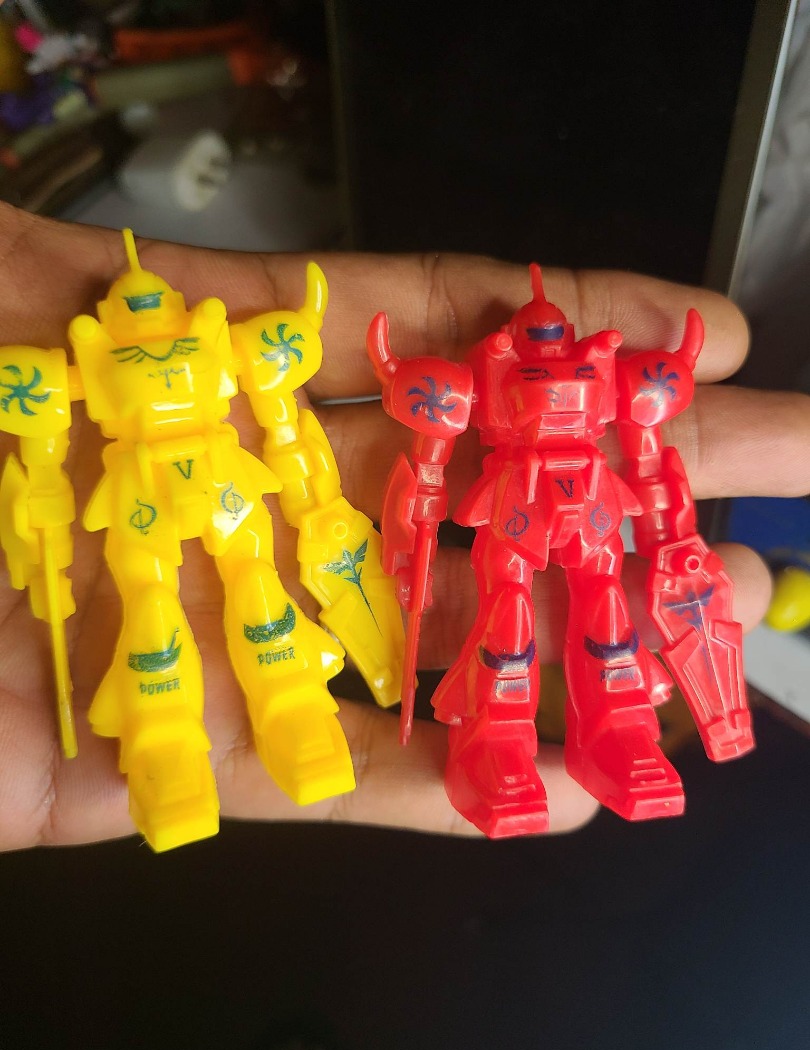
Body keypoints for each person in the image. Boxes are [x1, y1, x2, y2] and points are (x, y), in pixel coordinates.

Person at [0, 200, 806, 851]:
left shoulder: (595, 366)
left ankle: (618, 730)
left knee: (603, 617)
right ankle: (173, 736)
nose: (547, 347)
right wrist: (414, 479)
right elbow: (404, 427)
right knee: (160, 607)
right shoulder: (95, 351)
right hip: (171, 485)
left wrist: (663, 504)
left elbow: (640, 436)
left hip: (572, 494)